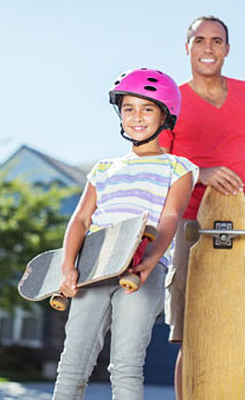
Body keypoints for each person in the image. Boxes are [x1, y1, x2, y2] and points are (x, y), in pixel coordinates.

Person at [52, 68, 198, 400]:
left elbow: (170, 217)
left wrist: (151, 261)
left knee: (126, 365)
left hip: (140, 270)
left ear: (164, 116)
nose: (136, 117)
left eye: (147, 109)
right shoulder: (103, 169)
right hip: (94, 268)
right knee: (72, 364)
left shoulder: (179, 167)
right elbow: (80, 219)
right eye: (128, 108)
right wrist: (67, 266)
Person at [159, 16, 245, 400]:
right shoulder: (171, 102)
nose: (208, 48)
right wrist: (200, 173)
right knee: (190, 337)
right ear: (187, 47)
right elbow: (161, 167)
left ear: (227, 49)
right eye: (200, 40)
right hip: (192, 227)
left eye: (217, 41)